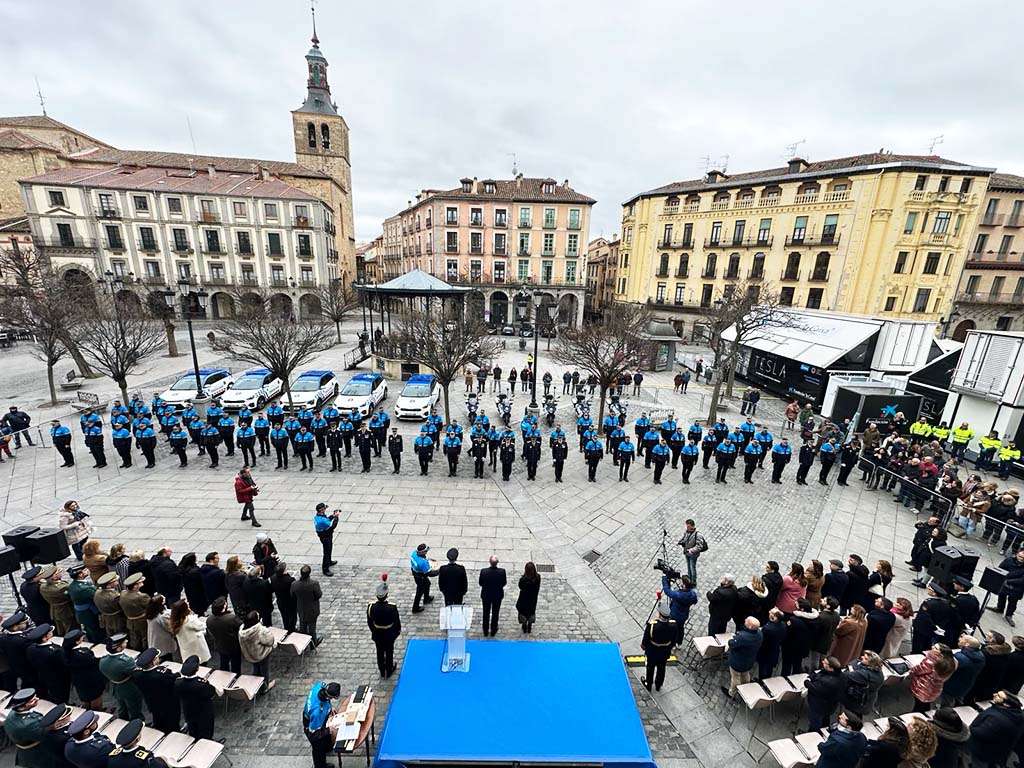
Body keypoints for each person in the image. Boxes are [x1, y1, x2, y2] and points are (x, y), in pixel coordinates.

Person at [967, 690, 1024, 768]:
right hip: (1000, 750)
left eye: (998, 696)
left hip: (984, 751)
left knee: (979, 764)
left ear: (1006, 704)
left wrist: (970, 727)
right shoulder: (1017, 715)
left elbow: (980, 733)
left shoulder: (997, 719)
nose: (994, 694)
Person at [99, 633, 144, 720]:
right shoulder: (126, 661)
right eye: (123, 642)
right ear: (118, 648)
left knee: (122, 706)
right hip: (129, 688)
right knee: (134, 708)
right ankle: (137, 722)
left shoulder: (103, 660)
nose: (126, 641)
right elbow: (137, 674)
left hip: (116, 686)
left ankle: (123, 720)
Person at [175, 655, 217, 740]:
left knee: (193, 730)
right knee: (206, 732)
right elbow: (211, 692)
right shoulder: (201, 684)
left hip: (189, 711)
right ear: (197, 668)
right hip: (204, 712)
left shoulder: (178, 683)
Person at [63, 629, 106, 710]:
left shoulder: (66, 653)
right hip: (92, 681)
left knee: (86, 699)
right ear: (76, 642)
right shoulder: (82, 655)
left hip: (79, 681)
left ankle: (87, 710)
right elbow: (93, 660)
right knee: (96, 701)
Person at [303, 680, 342, 768]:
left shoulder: (321, 685)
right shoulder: (317, 712)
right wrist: (329, 730)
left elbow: (327, 701)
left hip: (319, 717)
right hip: (312, 724)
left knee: (326, 738)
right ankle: (320, 765)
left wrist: (330, 708)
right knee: (318, 746)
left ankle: (327, 748)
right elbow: (314, 733)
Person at [367, 579, 401, 678]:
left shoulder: (371, 607)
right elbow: (396, 622)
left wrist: (374, 631)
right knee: (389, 652)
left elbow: (370, 622)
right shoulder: (392, 607)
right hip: (389, 634)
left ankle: (382, 670)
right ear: (386, 595)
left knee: (380, 652)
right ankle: (389, 669)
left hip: (377, 634)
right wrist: (396, 632)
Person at [641, 599, 677, 692]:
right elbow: (673, 640)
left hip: (652, 651)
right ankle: (658, 684)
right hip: (664, 651)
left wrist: (644, 646)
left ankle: (648, 684)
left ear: (660, 614)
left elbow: (646, 639)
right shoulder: (673, 625)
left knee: (650, 668)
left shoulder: (652, 625)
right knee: (662, 668)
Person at [910, 643, 957, 712]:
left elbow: (918, 670)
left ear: (940, 652)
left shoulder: (931, 661)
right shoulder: (951, 663)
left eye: (935, 648)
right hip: (935, 689)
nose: (932, 647)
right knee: (925, 705)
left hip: (923, 688)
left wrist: (911, 669)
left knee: (918, 706)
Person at [942, 634, 985, 707]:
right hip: (964, 687)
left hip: (950, 687)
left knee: (945, 704)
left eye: (962, 638)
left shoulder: (961, 657)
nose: (959, 639)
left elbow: (946, 668)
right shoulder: (981, 657)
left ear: (967, 644)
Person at [724, 617, 762, 699]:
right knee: (745, 674)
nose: (745, 621)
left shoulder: (743, 637)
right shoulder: (759, 634)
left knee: (735, 677)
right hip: (749, 660)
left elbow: (732, 644)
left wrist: (731, 640)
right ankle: (745, 688)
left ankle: (732, 693)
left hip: (738, 661)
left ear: (750, 627)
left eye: (747, 622)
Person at [804, 655, 846, 730]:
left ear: (831, 667)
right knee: (825, 719)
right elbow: (817, 674)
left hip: (819, 705)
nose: (822, 662)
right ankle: (824, 731)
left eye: (825, 662)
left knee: (815, 723)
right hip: (831, 705)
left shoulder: (827, 682)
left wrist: (807, 681)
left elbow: (813, 688)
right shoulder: (840, 675)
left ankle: (813, 735)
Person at [780, 598, 819, 676]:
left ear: (801, 609)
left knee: (786, 664)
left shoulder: (793, 620)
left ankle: (785, 678)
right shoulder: (815, 620)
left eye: (797, 604)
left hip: (790, 646)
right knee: (797, 664)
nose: (795, 604)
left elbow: (787, 633)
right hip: (803, 647)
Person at [239, 610, 277, 685]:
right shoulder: (260, 630)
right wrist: (263, 626)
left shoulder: (242, 631)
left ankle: (256, 683)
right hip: (261, 655)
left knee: (256, 668)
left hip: (250, 654)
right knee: (264, 670)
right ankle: (265, 686)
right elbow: (270, 641)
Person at [207, 597, 243, 674]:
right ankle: (236, 677)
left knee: (224, 662)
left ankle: (224, 677)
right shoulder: (231, 618)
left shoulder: (209, 619)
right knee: (235, 664)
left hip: (220, 645)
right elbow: (241, 625)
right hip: (233, 646)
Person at [169, 599, 210, 664]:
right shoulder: (190, 620)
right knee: (202, 665)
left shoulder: (175, 621)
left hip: (186, 649)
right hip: (197, 648)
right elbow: (202, 626)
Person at [292, 565, 323, 646]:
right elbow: (318, 595)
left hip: (301, 609)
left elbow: (292, 595)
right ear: (309, 573)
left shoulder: (294, 584)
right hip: (312, 609)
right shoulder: (314, 584)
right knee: (312, 627)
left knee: (303, 625)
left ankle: (303, 642)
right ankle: (313, 644)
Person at [993, 548, 1024, 626]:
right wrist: (1003, 579)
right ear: (1017, 554)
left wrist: (1009, 581)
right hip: (1005, 582)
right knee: (1002, 595)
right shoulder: (1009, 560)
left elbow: (1022, 580)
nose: (1021, 558)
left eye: (1023, 558)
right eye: (1020, 556)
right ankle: (1000, 608)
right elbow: (1000, 569)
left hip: (1017, 587)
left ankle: (1009, 615)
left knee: (1013, 601)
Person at [479, 556, 507, 637]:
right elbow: (504, 583)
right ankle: (493, 630)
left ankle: (485, 630)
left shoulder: (484, 572)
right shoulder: (502, 572)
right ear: (497, 563)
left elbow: (480, 583)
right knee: (495, 612)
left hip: (486, 595)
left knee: (486, 612)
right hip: (497, 595)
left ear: (489, 562)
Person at [677, 519, 708, 585]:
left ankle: (693, 581)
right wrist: (681, 542)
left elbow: (699, 546)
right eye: (686, 526)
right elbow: (684, 538)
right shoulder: (687, 532)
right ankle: (689, 578)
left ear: (693, 526)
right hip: (686, 553)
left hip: (693, 555)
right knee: (688, 566)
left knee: (692, 567)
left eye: (688, 526)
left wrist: (691, 550)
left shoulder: (698, 535)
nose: (687, 527)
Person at [409, 543, 437, 613]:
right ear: (422, 552)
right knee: (419, 592)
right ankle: (415, 608)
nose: (426, 552)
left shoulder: (414, 553)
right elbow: (429, 573)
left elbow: (422, 559)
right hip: (420, 576)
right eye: (425, 551)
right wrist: (439, 571)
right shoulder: (422, 563)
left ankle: (426, 598)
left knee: (427, 583)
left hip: (415, 573)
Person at [313, 503, 340, 577]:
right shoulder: (321, 521)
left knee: (329, 548)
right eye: (324, 509)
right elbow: (332, 526)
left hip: (326, 535)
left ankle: (329, 561)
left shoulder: (319, 516)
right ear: (321, 510)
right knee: (326, 552)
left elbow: (327, 519)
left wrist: (332, 516)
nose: (325, 510)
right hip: (325, 536)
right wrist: (336, 517)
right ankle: (325, 569)